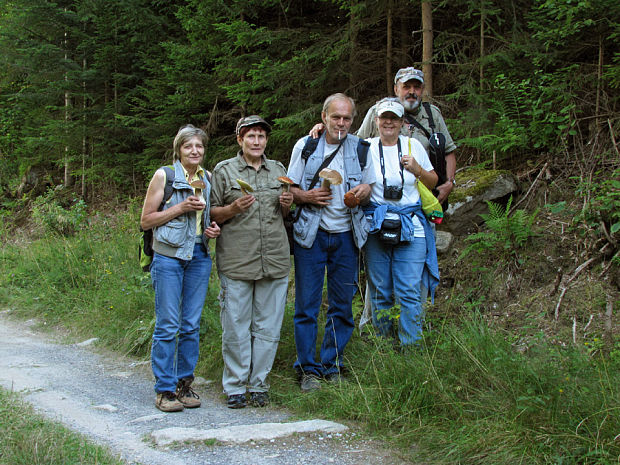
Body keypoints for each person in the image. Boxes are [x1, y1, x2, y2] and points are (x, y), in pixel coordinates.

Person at [287, 93, 375, 391]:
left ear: (353, 120)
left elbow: (370, 187)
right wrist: (307, 196)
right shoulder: (306, 146)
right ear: (324, 117)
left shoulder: (362, 149)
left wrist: (364, 191)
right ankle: (307, 369)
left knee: (341, 305)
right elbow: (289, 190)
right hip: (310, 236)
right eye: (335, 117)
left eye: (346, 118)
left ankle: (332, 364)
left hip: (347, 238)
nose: (341, 123)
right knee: (307, 305)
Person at [210, 115, 293, 409]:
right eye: (251, 136)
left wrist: (286, 206)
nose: (256, 141)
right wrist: (232, 208)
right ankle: (234, 385)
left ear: (266, 140)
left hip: (274, 259)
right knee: (235, 326)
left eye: (261, 136)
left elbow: (283, 217)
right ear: (240, 140)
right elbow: (212, 215)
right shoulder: (224, 171)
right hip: (237, 260)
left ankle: (259, 384)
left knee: (268, 327)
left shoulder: (279, 170)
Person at [141, 124, 221, 413]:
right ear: (179, 149)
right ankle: (164, 389)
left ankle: (184, 384)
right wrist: (179, 208)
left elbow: (207, 218)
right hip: (168, 258)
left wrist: (212, 229)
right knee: (168, 325)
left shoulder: (207, 178)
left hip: (198, 256)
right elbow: (146, 220)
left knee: (190, 325)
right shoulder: (166, 175)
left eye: (199, 146)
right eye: (189, 146)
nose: (195, 151)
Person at [362, 98, 440, 346]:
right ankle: (383, 345)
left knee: (409, 290)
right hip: (377, 225)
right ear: (376, 121)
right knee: (380, 291)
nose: (388, 122)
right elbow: (335, 140)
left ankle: (411, 347)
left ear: (402, 122)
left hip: (411, 225)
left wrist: (417, 169)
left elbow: (433, 182)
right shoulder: (365, 146)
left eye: (394, 118)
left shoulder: (413, 145)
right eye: (384, 117)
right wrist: (317, 129)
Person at [357, 67, 457, 210]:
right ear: (396, 89)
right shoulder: (377, 111)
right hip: (381, 199)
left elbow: (448, 151)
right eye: (406, 87)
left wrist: (449, 183)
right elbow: (356, 145)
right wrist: (324, 131)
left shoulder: (432, 115)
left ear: (422, 90)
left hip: (426, 193)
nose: (411, 92)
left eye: (416, 87)